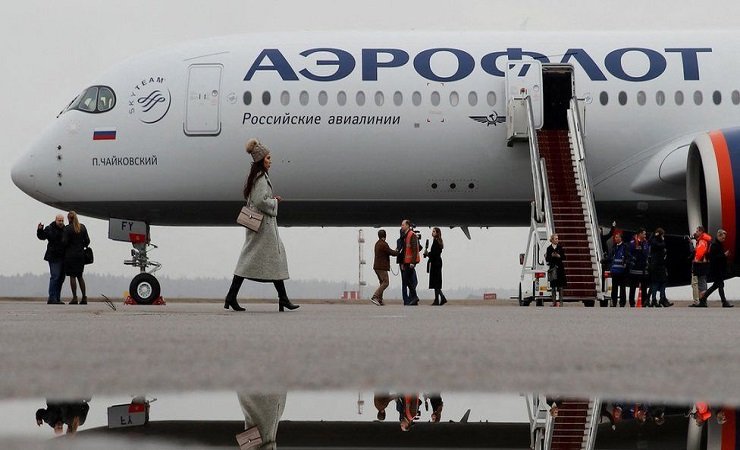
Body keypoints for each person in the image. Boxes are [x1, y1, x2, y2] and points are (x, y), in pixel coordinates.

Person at [225, 139, 299, 312]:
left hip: (261, 226)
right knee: (267, 259)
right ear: (261, 160)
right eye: (268, 158)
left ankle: (233, 297)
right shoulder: (260, 178)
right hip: (263, 227)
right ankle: (282, 299)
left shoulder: (257, 177)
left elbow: (258, 199)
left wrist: (272, 199)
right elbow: (259, 201)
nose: (270, 161)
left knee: (264, 260)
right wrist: (274, 202)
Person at [698, 229, 734, 308]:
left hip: (719, 269)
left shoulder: (719, 245)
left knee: (716, 285)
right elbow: (713, 258)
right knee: (719, 285)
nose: (724, 239)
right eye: (723, 238)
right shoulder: (715, 245)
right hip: (716, 269)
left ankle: (703, 299)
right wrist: (724, 255)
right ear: (719, 236)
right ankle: (724, 302)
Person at [36, 214, 66, 304]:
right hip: (53, 256)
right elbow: (42, 237)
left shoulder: (65, 229)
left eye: (62, 221)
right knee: (55, 276)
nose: (61, 222)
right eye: (59, 220)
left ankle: (57, 298)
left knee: (61, 278)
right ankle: (52, 297)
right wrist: (40, 230)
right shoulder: (50, 228)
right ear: (55, 220)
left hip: (63, 257)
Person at [62, 211, 90, 304]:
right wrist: (81, 245)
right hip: (80, 255)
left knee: (72, 276)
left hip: (70, 255)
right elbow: (87, 241)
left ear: (68, 218)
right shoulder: (82, 227)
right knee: (80, 276)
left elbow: (64, 242)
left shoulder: (67, 229)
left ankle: (74, 297)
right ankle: (84, 297)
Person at [371, 230, 399, 306]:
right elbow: (391, 252)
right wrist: (397, 252)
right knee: (386, 282)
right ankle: (375, 296)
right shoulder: (384, 244)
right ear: (385, 235)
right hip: (382, 267)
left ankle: (380, 300)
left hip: (376, 267)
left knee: (381, 282)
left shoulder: (377, 243)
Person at [648, 228, 673, 307]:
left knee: (655, 283)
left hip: (654, 265)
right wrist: (662, 240)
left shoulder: (652, 241)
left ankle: (654, 299)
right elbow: (661, 245)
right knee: (662, 282)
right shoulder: (658, 243)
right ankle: (660, 299)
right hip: (658, 265)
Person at [604, 232, 629, 307]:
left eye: (617, 237)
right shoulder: (614, 247)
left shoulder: (625, 247)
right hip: (614, 271)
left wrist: (626, 264)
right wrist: (604, 260)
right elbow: (610, 257)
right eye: (615, 237)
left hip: (622, 272)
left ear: (621, 238)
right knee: (614, 288)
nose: (616, 239)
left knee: (622, 288)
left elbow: (627, 257)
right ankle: (614, 302)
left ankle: (622, 303)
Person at [424, 227, 447, 306]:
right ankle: (439, 298)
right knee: (436, 282)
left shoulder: (436, 242)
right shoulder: (437, 241)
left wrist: (428, 254)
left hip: (436, 263)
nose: (432, 232)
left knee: (436, 282)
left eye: (434, 231)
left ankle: (439, 299)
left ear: (437, 233)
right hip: (437, 262)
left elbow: (434, 254)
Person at [400, 220, 420, 306]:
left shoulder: (412, 235)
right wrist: (403, 262)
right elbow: (405, 250)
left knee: (406, 279)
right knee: (408, 280)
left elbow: (415, 249)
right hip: (406, 262)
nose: (401, 226)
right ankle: (414, 297)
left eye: (403, 225)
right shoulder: (406, 235)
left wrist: (412, 262)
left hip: (410, 262)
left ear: (407, 225)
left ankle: (414, 296)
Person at [690, 227, 712, 307]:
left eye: (697, 231)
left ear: (701, 232)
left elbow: (699, 253)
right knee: (702, 283)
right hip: (704, 264)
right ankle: (703, 301)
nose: (696, 233)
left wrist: (695, 260)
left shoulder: (702, 241)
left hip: (700, 265)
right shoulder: (705, 240)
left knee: (701, 284)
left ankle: (702, 301)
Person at [627, 228, 649, 307]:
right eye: (644, 234)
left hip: (643, 269)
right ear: (640, 234)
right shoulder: (633, 243)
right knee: (633, 287)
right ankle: (632, 303)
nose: (645, 235)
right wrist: (633, 260)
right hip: (634, 269)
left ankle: (644, 302)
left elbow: (646, 254)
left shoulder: (645, 243)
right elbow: (629, 253)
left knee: (644, 287)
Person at [545, 234, 566, 307]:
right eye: (556, 239)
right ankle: (554, 302)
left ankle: (561, 302)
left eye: (557, 238)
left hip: (560, 268)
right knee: (553, 286)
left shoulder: (560, 247)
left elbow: (564, 257)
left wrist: (559, 256)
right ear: (552, 240)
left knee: (560, 286)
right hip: (552, 268)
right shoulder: (549, 248)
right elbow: (547, 259)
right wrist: (551, 255)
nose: (557, 240)